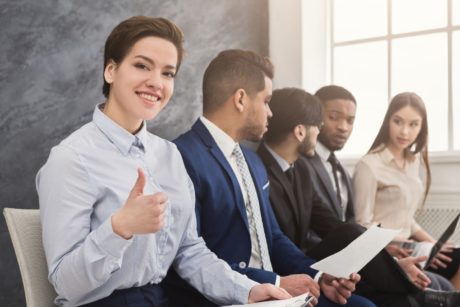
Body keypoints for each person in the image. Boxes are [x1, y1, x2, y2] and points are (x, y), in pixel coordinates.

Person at [36, 16, 291, 307]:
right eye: (142, 66)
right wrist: (119, 227)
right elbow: (66, 283)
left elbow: (189, 251)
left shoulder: (169, 155)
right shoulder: (71, 158)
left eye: (168, 73)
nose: (156, 82)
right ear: (111, 70)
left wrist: (247, 291)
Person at [164, 49, 376, 307]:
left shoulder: (252, 161)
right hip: (231, 296)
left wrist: (317, 276)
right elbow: (189, 257)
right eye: (266, 101)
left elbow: (273, 237)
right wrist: (274, 282)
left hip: (275, 292)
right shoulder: (181, 157)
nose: (271, 113)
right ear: (240, 99)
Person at [259, 87, 460, 307]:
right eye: (319, 125)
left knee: (350, 233)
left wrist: (387, 261)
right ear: (300, 132)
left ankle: (410, 285)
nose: (320, 132)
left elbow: (331, 224)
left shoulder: (301, 170)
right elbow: (277, 241)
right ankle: (413, 288)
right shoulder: (259, 168)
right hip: (291, 261)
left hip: (313, 257)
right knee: (351, 232)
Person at [352, 92, 460, 290]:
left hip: (412, 246)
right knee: (444, 284)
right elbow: (361, 224)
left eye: (413, 124)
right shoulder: (369, 165)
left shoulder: (413, 162)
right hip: (388, 251)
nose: (404, 132)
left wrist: (436, 244)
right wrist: (388, 248)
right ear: (388, 121)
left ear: (422, 127)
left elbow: (406, 219)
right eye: (398, 121)